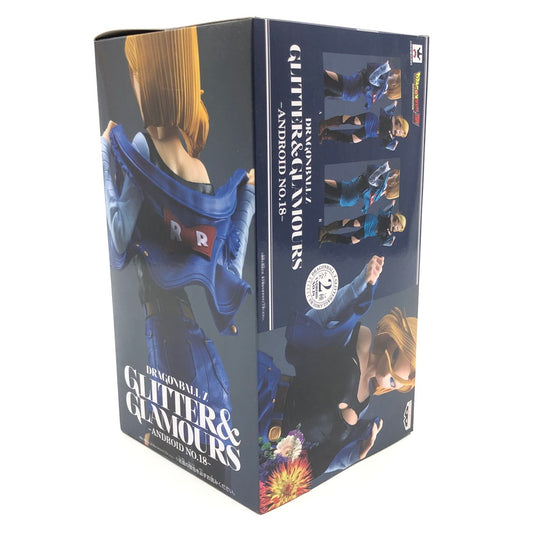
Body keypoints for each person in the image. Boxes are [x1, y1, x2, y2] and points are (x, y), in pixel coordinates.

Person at [100, 27, 255, 443]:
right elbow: (225, 265)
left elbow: (118, 235)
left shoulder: (141, 146)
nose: (133, 82)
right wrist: (248, 200)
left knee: (175, 446)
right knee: (191, 449)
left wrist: (104, 152)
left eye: (136, 72)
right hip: (187, 343)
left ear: (149, 78)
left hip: (169, 341)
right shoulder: (198, 170)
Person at [258, 256, 417, 477]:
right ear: (393, 341)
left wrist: (354, 454)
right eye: (395, 360)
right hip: (264, 389)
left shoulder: (363, 404)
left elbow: (322, 455)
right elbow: (319, 318)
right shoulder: (359, 338)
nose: (391, 381)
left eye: (395, 383)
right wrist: (360, 284)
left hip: (267, 444)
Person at [319, 102, 409, 151]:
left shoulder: (391, 138)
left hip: (369, 133)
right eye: (401, 130)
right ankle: (325, 124)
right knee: (353, 120)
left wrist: (393, 145)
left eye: (401, 134)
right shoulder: (390, 118)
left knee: (351, 140)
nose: (399, 133)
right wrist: (393, 105)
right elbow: (386, 111)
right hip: (371, 120)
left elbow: (386, 145)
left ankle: (326, 134)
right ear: (400, 124)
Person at [324, 161, 400, 211]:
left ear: (393, 183)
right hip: (349, 195)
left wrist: (384, 168)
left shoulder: (382, 185)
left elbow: (371, 180)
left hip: (348, 191)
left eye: (394, 176)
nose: (393, 174)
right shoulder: (381, 192)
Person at [324, 61, 401, 108]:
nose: (394, 74)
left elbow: (372, 79)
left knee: (323, 76)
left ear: (394, 84)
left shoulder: (383, 86)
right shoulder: (383, 88)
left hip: (350, 86)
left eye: (396, 76)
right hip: (351, 89)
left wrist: (384, 68)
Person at [319, 209, 405, 247]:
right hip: (371, 221)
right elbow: (383, 213)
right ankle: (325, 229)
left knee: (350, 241)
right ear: (398, 220)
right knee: (353, 223)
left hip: (369, 232)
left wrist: (389, 241)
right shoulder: (389, 216)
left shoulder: (389, 233)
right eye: (398, 226)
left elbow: (382, 241)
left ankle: (326, 238)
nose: (396, 228)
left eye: (398, 229)